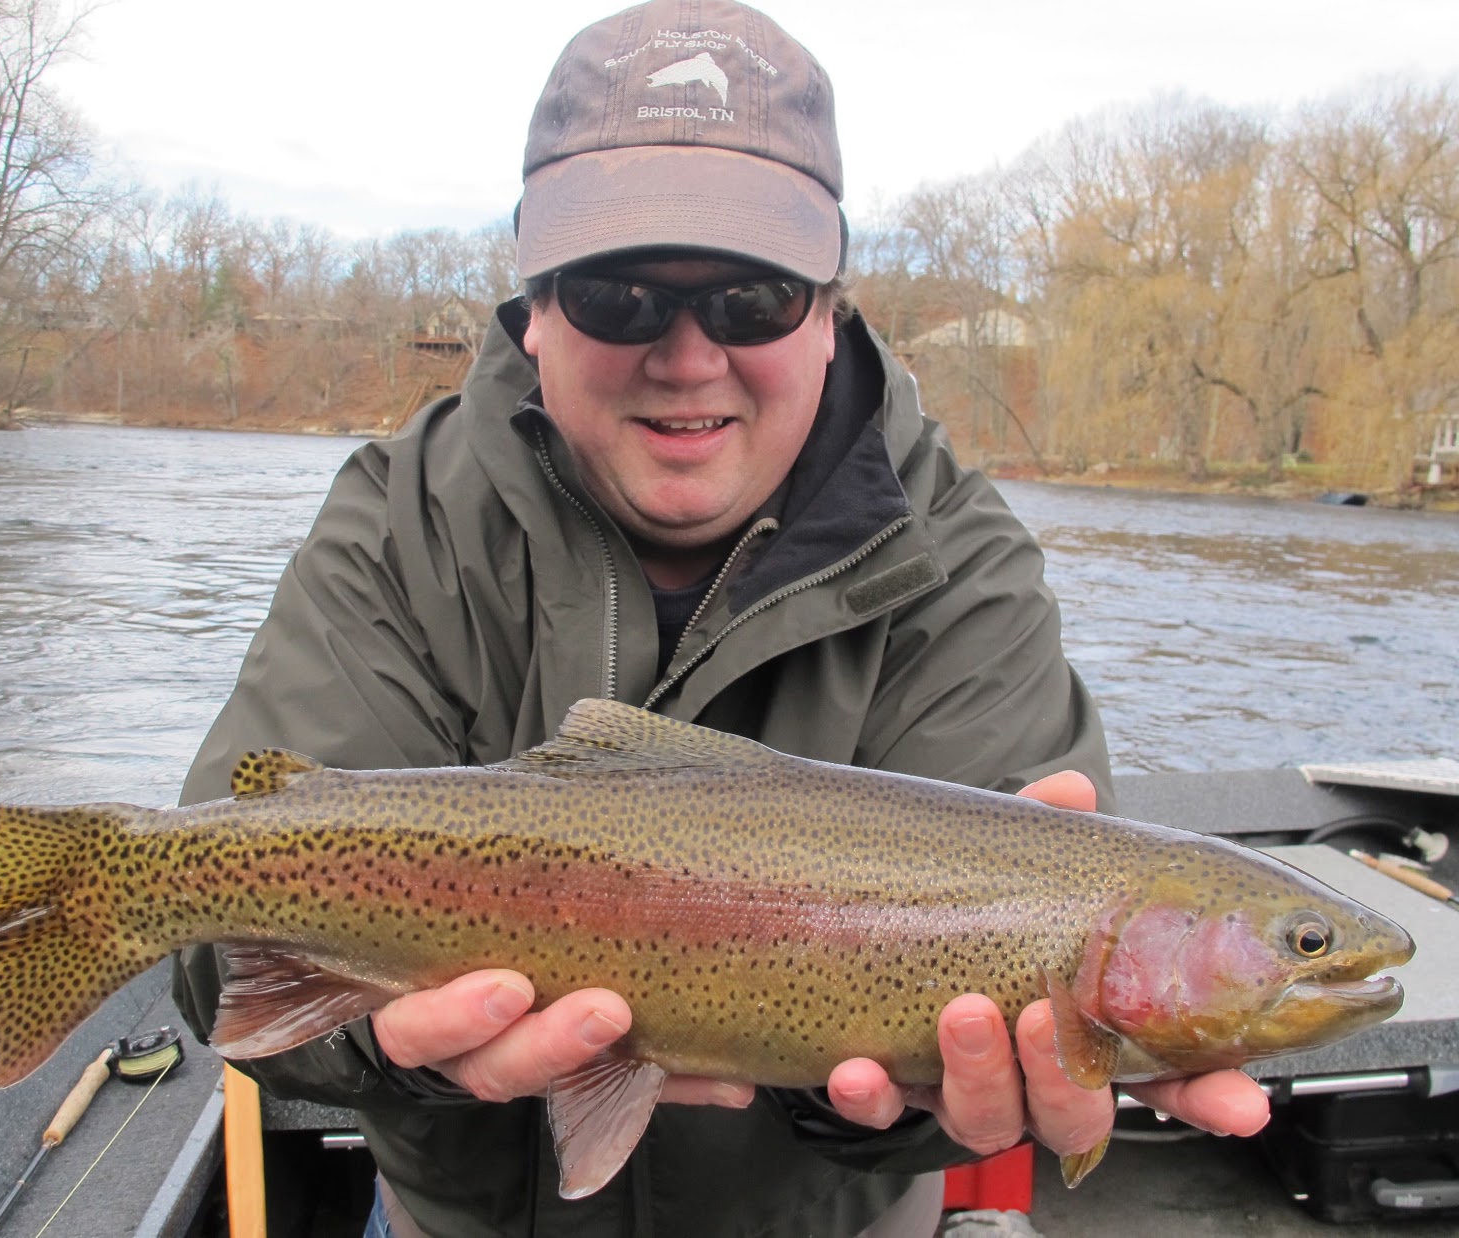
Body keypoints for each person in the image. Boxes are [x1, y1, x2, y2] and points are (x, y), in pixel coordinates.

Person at [173, 2, 1270, 1234]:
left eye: (751, 299)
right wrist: (393, 1046)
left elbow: (976, 1052)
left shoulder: (957, 562)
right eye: (617, 294)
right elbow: (222, 939)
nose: (687, 355)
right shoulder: (404, 520)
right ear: (534, 310)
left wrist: (903, 1099)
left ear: (829, 312)